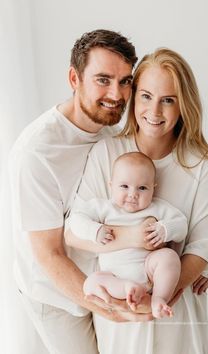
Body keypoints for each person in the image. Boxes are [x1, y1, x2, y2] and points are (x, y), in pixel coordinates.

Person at [65, 47, 208, 354]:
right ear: (134, 97)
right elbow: (74, 234)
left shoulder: (202, 167)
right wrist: (132, 249)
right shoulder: (107, 154)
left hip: (174, 308)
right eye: (146, 96)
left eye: (168, 100)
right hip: (120, 306)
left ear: (184, 106)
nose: (155, 111)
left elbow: (202, 249)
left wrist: (157, 294)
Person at [8, 29, 141, 354]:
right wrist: (106, 305)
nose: (117, 93)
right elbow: (48, 254)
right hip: (54, 293)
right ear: (74, 78)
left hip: (99, 274)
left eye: (125, 81)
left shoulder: (110, 134)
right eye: (103, 79)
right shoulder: (38, 151)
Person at [68, 151, 188, 318]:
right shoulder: (104, 208)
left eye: (142, 188)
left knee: (169, 257)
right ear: (111, 186)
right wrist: (94, 230)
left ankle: (158, 299)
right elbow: (75, 221)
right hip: (114, 276)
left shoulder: (158, 208)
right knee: (90, 284)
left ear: (153, 188)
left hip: (149, 269)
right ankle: (127, 288)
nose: (133, 194)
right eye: (124, 186)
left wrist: (165, 229)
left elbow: (182, 225)